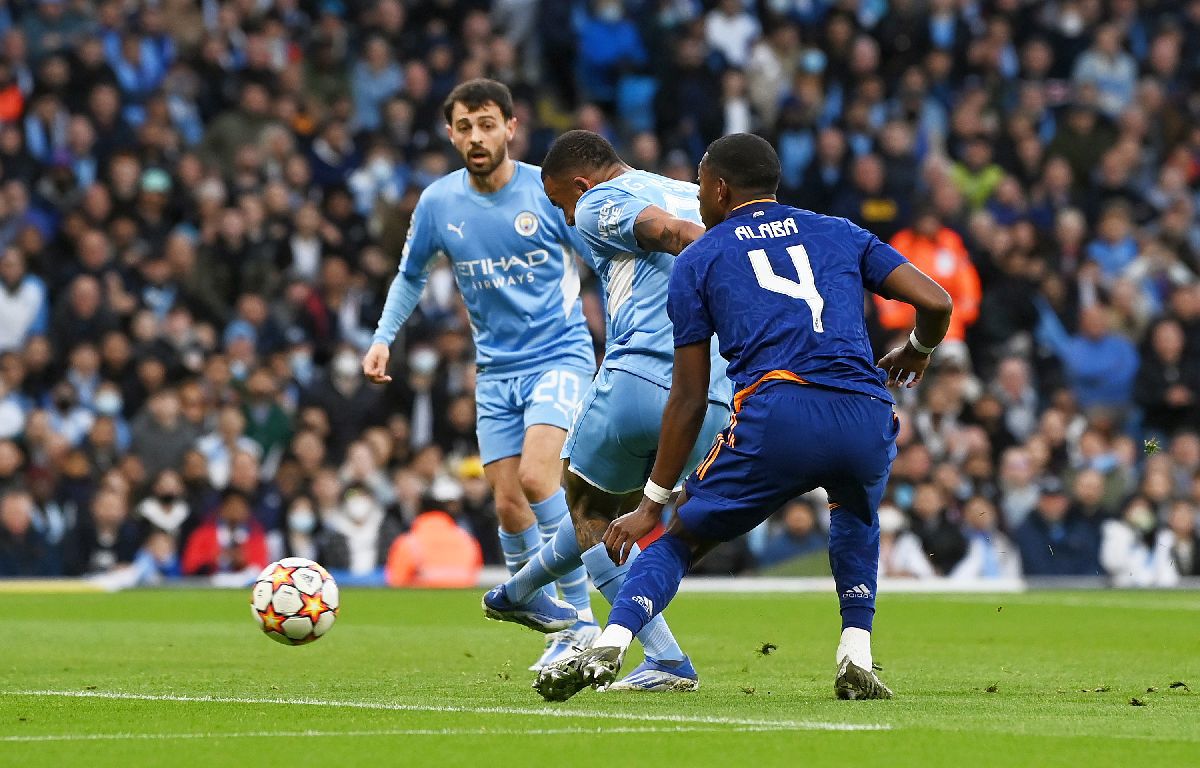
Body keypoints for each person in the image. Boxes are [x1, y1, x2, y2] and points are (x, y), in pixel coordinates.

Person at [532, 133, 952, 702]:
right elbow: (936, 302)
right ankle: (856, 652)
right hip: (865, 409)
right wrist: (919, 350)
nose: (697, 195)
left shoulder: (701, 256)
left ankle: (611, 642)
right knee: (856, 515)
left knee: (681, 539)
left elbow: (686, 396)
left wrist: (650, 503)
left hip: (779, 411)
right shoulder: (838, 229)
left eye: (701, 182)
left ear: (720, 189)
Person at [483, 129, 733, 693]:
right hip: (715, 397)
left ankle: (666, 659)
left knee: (586, 514)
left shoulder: (600, 201)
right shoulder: (684, 188)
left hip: (640, 380)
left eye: (561, 204)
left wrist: (709, 255)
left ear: (579, 183)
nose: (569, 219)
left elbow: (674, 235)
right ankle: (517, 593)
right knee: (609, 510)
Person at [362, 79, 595, 670]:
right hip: (495, 372)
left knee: (542, 478)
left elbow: (600, 257)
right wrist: (383, 339)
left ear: (511, 126)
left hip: (560, 355)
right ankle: (554, 627)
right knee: (510, 505)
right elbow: (411, 274)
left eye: (487, 123)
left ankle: (585, 622)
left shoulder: (547, 191)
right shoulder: (440, 203)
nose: (476, 136)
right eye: (464, 127)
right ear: (450, 134)